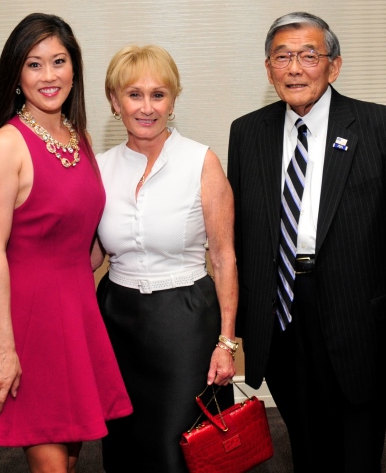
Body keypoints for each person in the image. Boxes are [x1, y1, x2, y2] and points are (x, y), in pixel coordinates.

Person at [227, 12, 386, 472]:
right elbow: (241, 236)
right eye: (282, 57)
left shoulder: (381, 127)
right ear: (268, 69)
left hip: (358, 319)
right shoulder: (247, 133)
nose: (295, 68)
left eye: (308, 55)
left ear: (333, 66)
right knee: (305, 443)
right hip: (280, 313)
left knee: (356, 450)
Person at [0, 13, 131, 473]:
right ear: (16, 76)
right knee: (51, 465)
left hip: (76, 310)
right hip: (28, 319)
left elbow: (82, 237)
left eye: (59, 61)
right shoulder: (7, 144)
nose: (49, 76)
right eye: (34, 64)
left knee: (70, 452)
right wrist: (4, 349)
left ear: (74, 68)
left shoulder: (78, 139)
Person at [92, 44, 239, 472]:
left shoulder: (201, 162)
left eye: (159, 94)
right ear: (114, 102)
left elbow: (225, 259)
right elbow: (91, 254)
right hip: (117, 321)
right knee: (123, 443)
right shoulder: (99, 168)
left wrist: (226, 343)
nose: (147, 107)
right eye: (134, 94)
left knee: (181, 448)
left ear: (173, 101)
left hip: (185, 323)